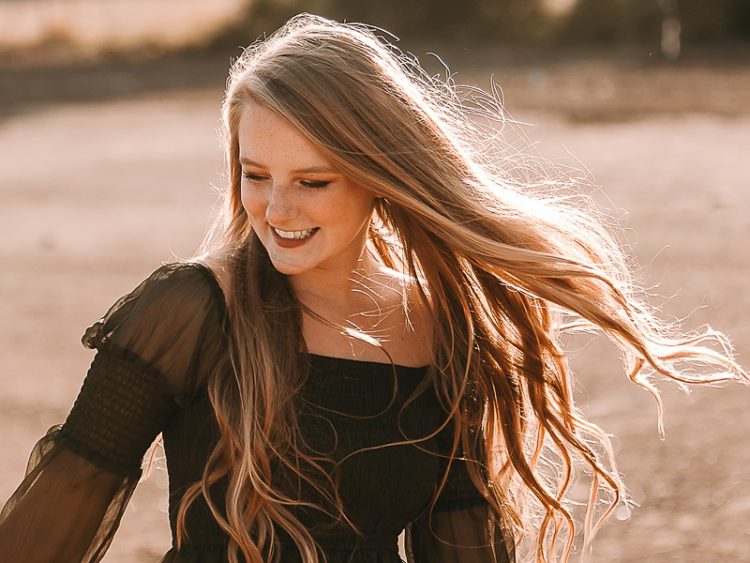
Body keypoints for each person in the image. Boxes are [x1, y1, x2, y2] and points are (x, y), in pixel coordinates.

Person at [0, 13, 746, 563]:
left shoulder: (443, 331)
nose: (276, 210)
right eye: (254, 175)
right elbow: (47, 533)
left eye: (312, 181)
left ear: (379, 177)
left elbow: (461, 546)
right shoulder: (191, 313)